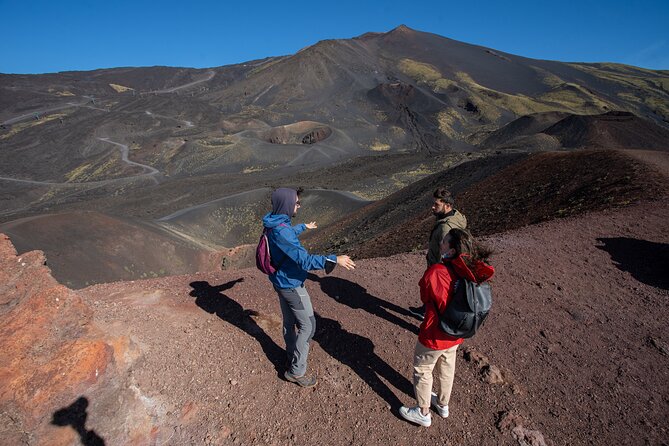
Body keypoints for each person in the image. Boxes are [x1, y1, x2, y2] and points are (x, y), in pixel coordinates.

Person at [399, 228, 494, 427]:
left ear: (451, 250)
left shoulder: (437, 272)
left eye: (444, 242)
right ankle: (443, 404)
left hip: (435, 333)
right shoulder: (472, 272)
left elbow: (425, 297)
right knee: (446, 368)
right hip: (457, 334)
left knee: (423, 368)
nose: (440, 244)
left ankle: (423, 412)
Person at [263, 187, 356, 387]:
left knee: (289, 323)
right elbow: (304, 261)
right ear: (286, 204)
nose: (299, 205)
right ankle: (296, 371)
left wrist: (303, 226)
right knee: (308, 326)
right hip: (292, 284)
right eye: (296, 202)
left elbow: (286, 232)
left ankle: (290, 355)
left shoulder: (274, 222)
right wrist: (334, 259)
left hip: (280, 281)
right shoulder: (282, 231)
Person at [408, 188, 467, 320]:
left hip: (439, 268)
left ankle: (432, 323)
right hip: (443, 267)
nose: (433, 207)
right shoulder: (454, 216)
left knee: (435, 295)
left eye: (437, 205)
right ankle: (426, 311)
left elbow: (446, 253)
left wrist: (438, 271)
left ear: (448, 205)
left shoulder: (446, 228)